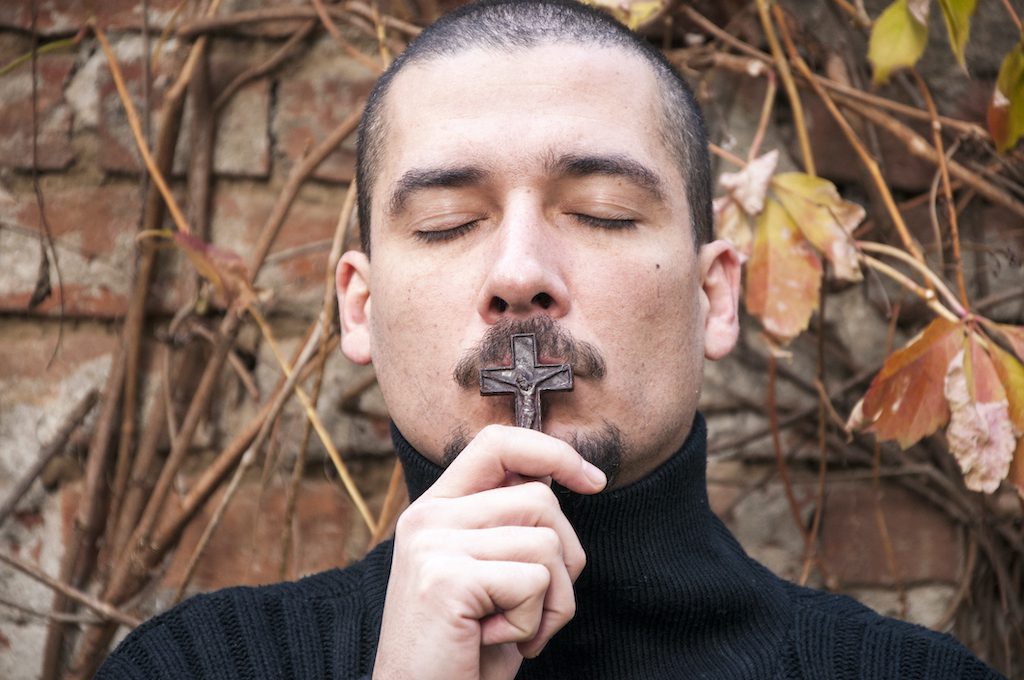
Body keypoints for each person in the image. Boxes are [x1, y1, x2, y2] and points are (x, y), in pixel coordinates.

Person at [97, 1, 1004, 678]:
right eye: (450, 222)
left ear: (714, 295)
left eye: (603, 213)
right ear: (360, 309)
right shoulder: (195, 668)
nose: (519, 272)